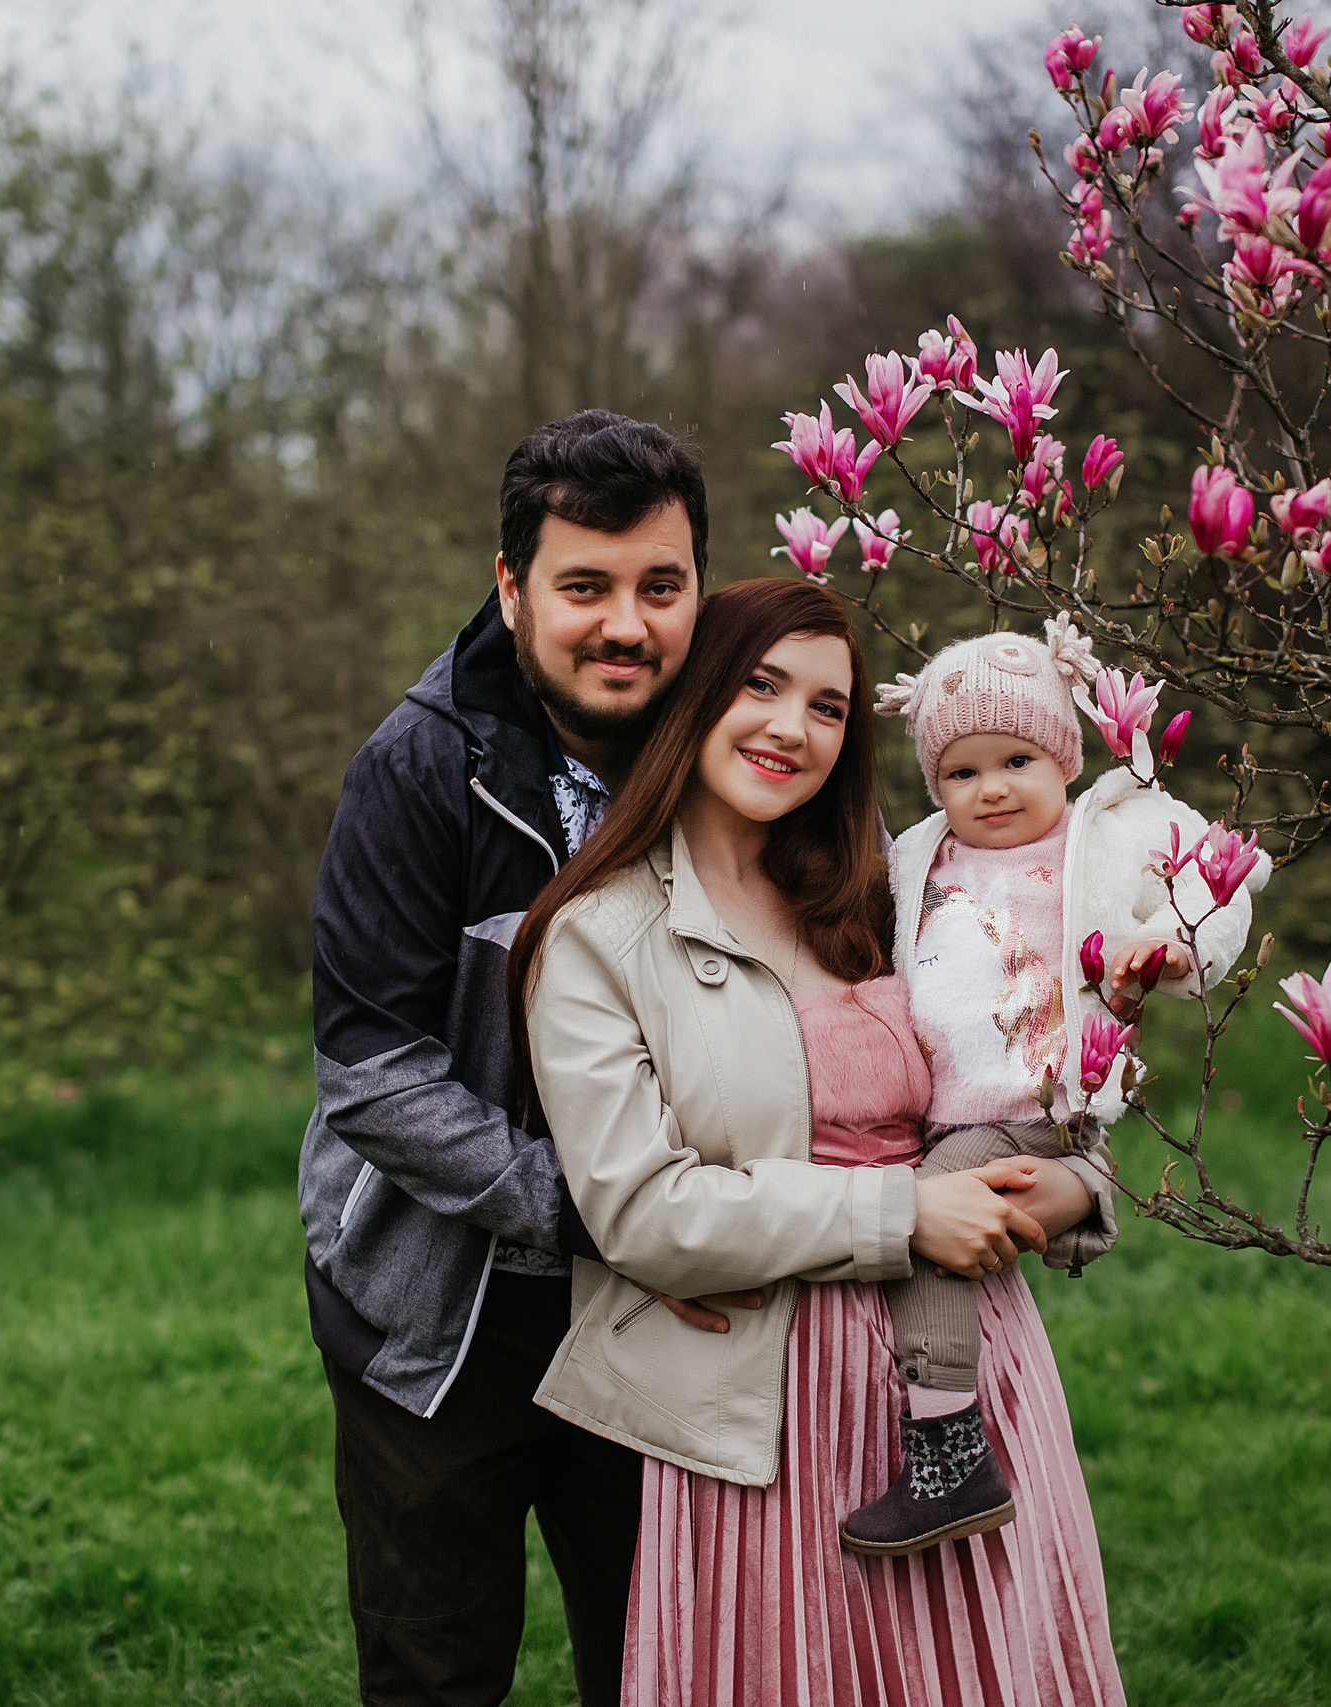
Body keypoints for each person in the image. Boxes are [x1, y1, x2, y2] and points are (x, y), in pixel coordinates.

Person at [509, 579, 1126, 1706]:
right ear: (695, 695)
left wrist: (1079, 1186)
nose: (792, 727)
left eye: (829, 707)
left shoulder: (880, 896)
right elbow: (641, 1212)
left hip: (969, 1361)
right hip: (767, 1398)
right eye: (761, 685)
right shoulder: (598, 938)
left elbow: (1022, 1072)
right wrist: (906, 1214)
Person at [298, 410, 707, 1706]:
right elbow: (371, 1073)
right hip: (435, 1313)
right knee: (436, 1671)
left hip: (660, 1312)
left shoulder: (741, 756)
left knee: (662, 1669)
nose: (625, 625)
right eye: (585, 587)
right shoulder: (419, 769)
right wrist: (600, 1207)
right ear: (512, 586)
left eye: (660, 586)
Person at [845, 619, 1270, 1556]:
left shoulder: (1098, 839)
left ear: (1066, 760)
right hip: (952, 1110)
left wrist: (1159, 951)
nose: (992, 787)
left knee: (925, 1221)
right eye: (962, 772)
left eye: (1017, 760)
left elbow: (1220, 884)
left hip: (1035, 1108)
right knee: (926, 1202)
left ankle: (948, 1445)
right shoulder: (923, 855)